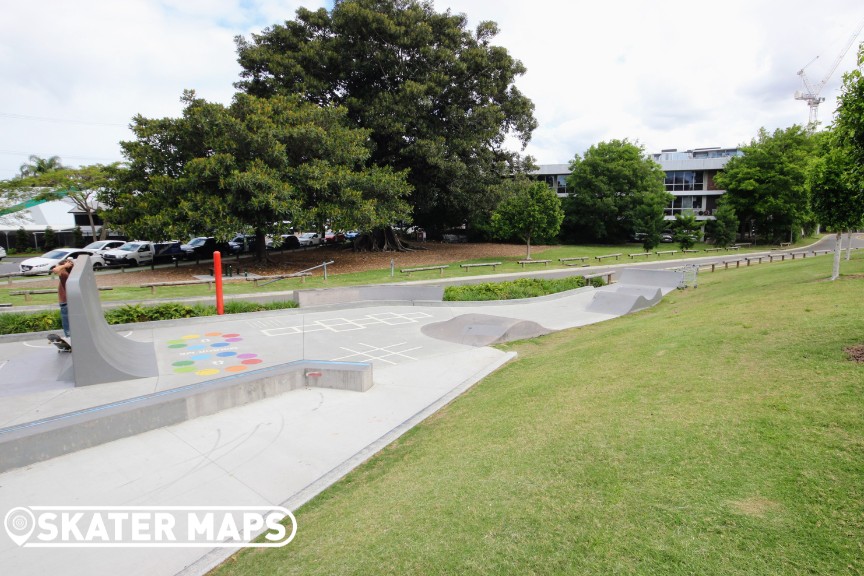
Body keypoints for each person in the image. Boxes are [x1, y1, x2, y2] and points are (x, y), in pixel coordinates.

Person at [52, 257, 74, 339]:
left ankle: (69, 337)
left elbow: (55, 270)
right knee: (69, 322)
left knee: (66, 323)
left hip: (65, 303)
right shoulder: (69, 276)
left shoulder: (64, 275)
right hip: (67, 302)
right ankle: (70, 336)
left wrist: (64, 265)